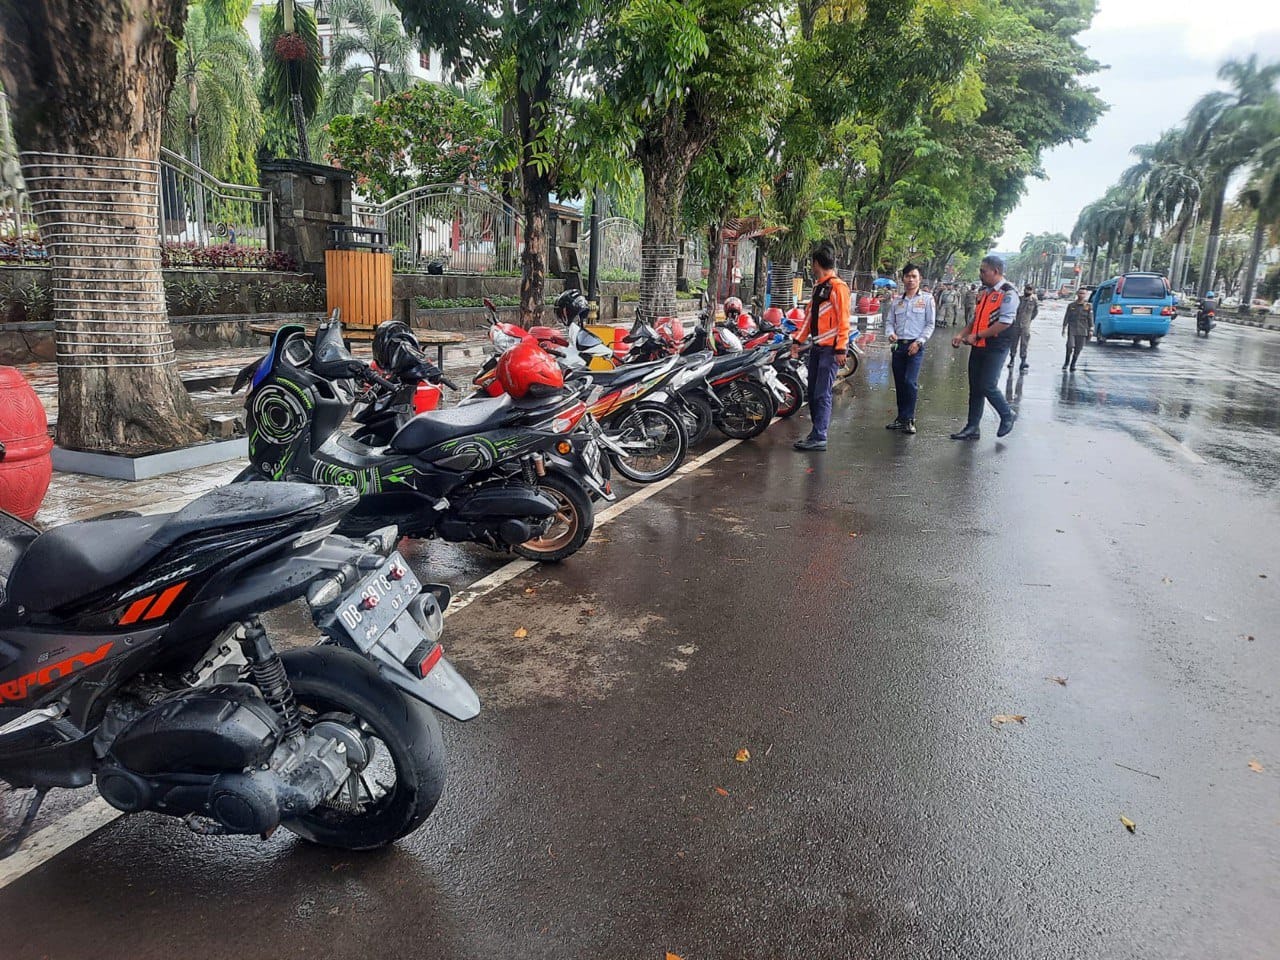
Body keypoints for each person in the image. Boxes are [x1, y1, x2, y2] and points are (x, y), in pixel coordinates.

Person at [950, 255, 1019, 440]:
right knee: (975, 388)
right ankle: (972, 427)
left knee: (988, 385)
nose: (980, 274)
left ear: (995, 272)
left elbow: (1004, 323)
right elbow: (977, 318)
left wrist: (977, 335)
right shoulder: (985, 292)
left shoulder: (1008, 293)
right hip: (978, 344)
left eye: (983, 271)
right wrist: (962, 334)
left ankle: (1007, 415)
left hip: (996, 346)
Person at [791, 242, 851, 451]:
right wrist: (797, 341)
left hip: (830, 350)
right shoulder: (819, 288)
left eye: (812, 264)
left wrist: (841, 349)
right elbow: (809, 318)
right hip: (816, 349)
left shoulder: (838, 287)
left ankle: (820, 435)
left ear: (817, 263)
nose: (812, 268)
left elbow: (844, 320)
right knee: (813, 391)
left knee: (822, 393)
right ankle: (816, 432)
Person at [884, 262, 935, 435]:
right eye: (907, 276)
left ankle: (910, 418)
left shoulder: (927, 299)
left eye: (914, 276)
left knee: (909, 382)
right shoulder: (897, 301)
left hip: (916, 347)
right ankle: (901, 418)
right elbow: (890, 322)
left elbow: (930, 324)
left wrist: (919, 342)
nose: (910, 280)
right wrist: (890, 333)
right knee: (899, 383)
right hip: (899, 346)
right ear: (903, 278)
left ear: (920, 278)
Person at [1008, 282, 1038, 371]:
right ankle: (1012, 360)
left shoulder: (1034, 301)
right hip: (1016, 325)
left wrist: (1028, 320)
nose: (1028, 291)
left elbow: (1035, 312)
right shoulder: (1019, 299)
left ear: (1032, 291)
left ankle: (1023, 361)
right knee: (1014, 343)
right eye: (1027, 289)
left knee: (1024, 344)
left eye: (1030, 289)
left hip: (1025, 326)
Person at [1062, 287, 1092, 371]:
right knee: (1070, 346)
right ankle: (1066, 362)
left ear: (1085, 295)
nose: (1081, 295)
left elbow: (1090, 318)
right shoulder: (1071, 305)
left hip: (1083, 330)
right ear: (1077, 294)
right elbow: (1066, 316)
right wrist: (1064, 327)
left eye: (1083, 293)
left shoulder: (1088, 306)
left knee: (1078, 349)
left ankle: (1073, 364)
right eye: (1080, 293)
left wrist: (1091, 329)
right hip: (1072, 329)